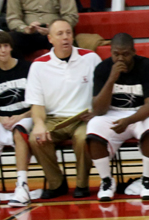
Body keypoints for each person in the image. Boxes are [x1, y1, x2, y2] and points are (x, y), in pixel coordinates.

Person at [26, 19, 100, 200]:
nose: (65, 37)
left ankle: (82, 184)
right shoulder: (38, 65)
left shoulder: (90, 57)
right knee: (36, 139)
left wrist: (96, 112)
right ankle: (56, 183)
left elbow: (104, 90)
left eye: (68, 33)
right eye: (60, 34)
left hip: (83, 118)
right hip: (53, 118)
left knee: (84, 138)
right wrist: (38, 124)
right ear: (50, 39)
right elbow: (36, 104)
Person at [86, 33, 149, 202]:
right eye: (116, 54)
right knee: (93, 127)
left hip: (140, 114)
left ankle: (147, 180)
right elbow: (98, 109)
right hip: (112, 113)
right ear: (111, 52)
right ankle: (106, 181)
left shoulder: (147, 67)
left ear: (134, 52)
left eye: (125, 54)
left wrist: (129, 121)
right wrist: (111, 79)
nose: (121, 58)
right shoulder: (103, 69)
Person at [0, 32, 32, 208]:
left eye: (6, 46)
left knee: (19, 130)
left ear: (11, 47)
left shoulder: (27, 68)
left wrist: (22, 116)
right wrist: (0, 118)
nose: (3, 50)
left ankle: (22, 185)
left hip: (26, 117)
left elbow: (38, 103)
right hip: (3, 121)